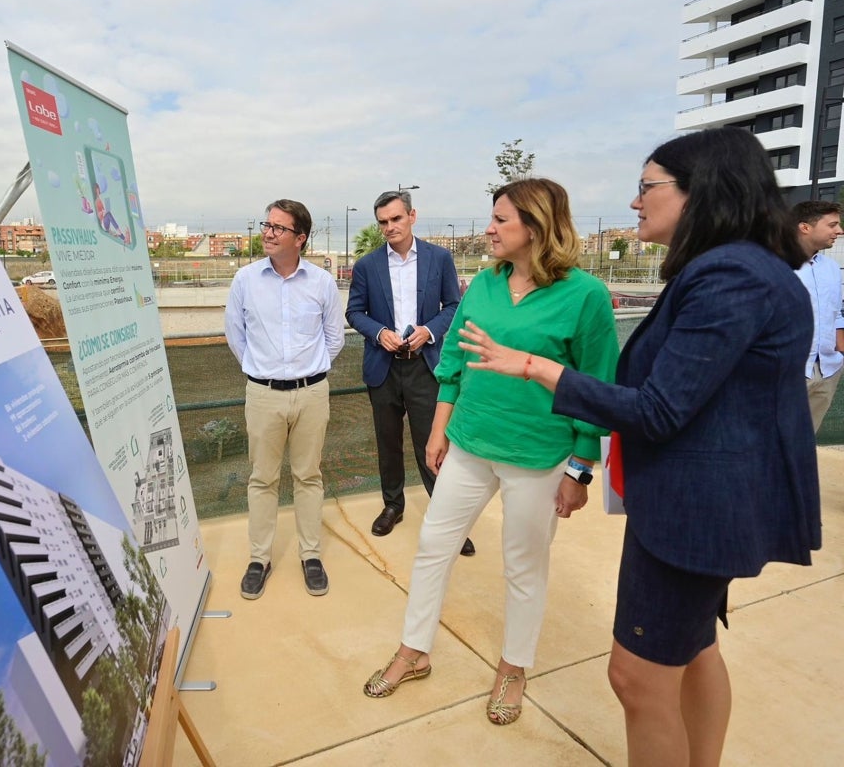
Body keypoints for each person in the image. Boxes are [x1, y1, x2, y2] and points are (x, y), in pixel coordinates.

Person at [457, 128, 821, 765]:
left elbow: (658, 409)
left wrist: (536, 369)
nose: (634, 202)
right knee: (697, 649)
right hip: (704, 506)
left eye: (647, 186)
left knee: (637, 677)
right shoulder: (740, 269)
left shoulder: (730, 275)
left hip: (693, 516)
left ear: (698, 192)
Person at [361, 178, 619, 727]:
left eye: (501, 219)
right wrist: (439, 430)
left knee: (524, 566)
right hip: (471, 445)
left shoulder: (586, 296)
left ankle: (513, 667)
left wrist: (579, 468)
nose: (489, 228)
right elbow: (453, 357)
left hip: (538, 456)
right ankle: (415, 649)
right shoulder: (484, 282)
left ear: (536, 225)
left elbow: (597, 388)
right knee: (433, 545)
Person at [225, 199, 345, 599]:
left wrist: (308, 372)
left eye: (279, 227)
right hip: (262, 395)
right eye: (267, 224)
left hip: (313, 394)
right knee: (262, 478)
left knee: (309, 476)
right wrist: (263, 372)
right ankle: (260, 558)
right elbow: (235, 335)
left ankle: (310, 555)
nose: (269, 232)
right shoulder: (245, 280)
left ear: (300, 238)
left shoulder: (322, 282)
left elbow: (334, 338)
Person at [346, 190, 474, 556]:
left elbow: (453, 306)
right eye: (383, 222)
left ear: (412, 216)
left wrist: (429, 331)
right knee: (387, 443)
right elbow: (354, 313)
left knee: (432, 446)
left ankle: (447, 520)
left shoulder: (439, 258)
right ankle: (393, 506)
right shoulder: (367, 266)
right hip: (383, 369)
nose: (390, 227)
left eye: (396, 219)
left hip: (425, 367)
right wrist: (379, 333)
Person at [793, 200, 844, 432]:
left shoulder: (831, 268)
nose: (839, 231)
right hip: (789, 370)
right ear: (805, 227)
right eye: (832, 225)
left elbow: (837, 311)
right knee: (770, 443)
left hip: (828, 370)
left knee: (804, 442)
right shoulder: (774, 264)